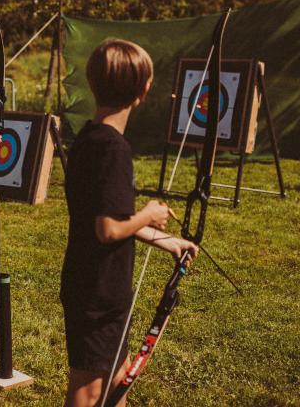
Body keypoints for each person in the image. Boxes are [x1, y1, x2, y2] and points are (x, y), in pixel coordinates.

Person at [60, 39, 200, 407]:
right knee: (90, 389)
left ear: (93, 83)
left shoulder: (89, 138)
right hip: (98, 289)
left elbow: (108, 214)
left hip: (91, 283)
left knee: (116, 379)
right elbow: (107, 228)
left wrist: (164, 239)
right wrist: (149, 214)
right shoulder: (114, 149)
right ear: (143, 90)